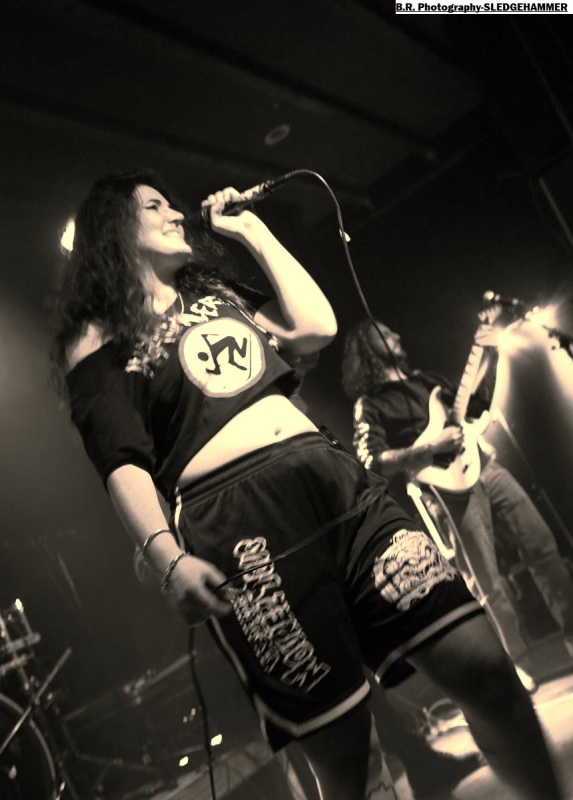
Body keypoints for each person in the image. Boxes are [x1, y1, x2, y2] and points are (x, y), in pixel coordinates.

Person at [50, 169, 564, 800]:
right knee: (348, 755)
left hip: (337, 483)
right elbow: (120, 458)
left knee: (485, 668)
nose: (176, 214)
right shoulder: (96, 336)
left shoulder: (215, 292)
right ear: (112, 229)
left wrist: (251, 230)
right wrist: (167, 559)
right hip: (241, 528)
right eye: (154, 206)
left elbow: (315, 326)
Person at [341, 317, 573, 693]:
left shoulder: (426, 380)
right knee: (487, 583)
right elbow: (371, 461)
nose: (396, 334)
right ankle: (513, 668)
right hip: (444, 488)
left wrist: (490, 353)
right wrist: (431, 448)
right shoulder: (371, 403)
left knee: (544, 548)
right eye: (384, 332)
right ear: (369, 348)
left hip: (487, 468)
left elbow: (476, 405)